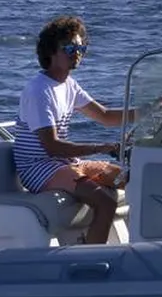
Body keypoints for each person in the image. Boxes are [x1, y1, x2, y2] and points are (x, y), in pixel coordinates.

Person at [13, 15, 148, 245]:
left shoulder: (69, 84)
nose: (77, 53)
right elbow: (52, 147)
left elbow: (105, 116)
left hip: (64, 164)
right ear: (51, 51)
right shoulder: (39, 91)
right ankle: (92, 259)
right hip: (39, 168)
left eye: (80, 48)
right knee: (105, 202)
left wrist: (148, 111)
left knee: (134, 178)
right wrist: (101, 147)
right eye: (69, 48)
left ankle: (141, 245)